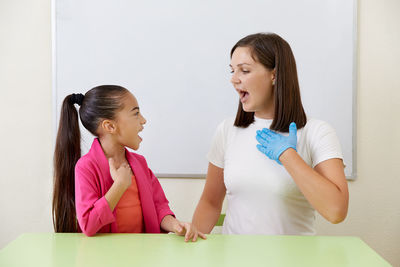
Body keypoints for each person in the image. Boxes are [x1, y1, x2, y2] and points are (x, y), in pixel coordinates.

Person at [192, 33, 349, 235]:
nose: (233, 79)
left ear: (274, 75)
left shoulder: (317, 132)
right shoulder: (227, 130)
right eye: (232, 71)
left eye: (244, 70)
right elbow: (210, 202)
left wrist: (289, 156)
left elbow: (336, 211)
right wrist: (191, 248)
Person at [53, 85, 206, 241]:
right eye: (136, 114)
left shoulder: (140, 163)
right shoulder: (86, 167)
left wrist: (175, 225)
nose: (143, 120)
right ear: (110, 126)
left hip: (140, 255)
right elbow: (88, 225)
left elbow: (159, 207)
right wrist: (119, 185)